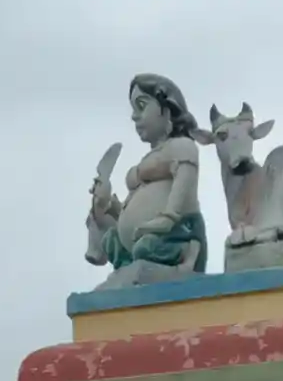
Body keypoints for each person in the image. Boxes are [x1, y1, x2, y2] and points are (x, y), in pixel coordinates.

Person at [86, 74, 208, 283]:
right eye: (133, 109)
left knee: (147, 247)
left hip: (179, 233)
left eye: (141, 106)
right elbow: (135, 210)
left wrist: (167, 218)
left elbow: (183, 184)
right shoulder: (150, 157)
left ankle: (185, 253)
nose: (134, 116)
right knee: (112, 242)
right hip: (142, 240)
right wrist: (108, 204)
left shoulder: (182, 146)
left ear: (167, 109)